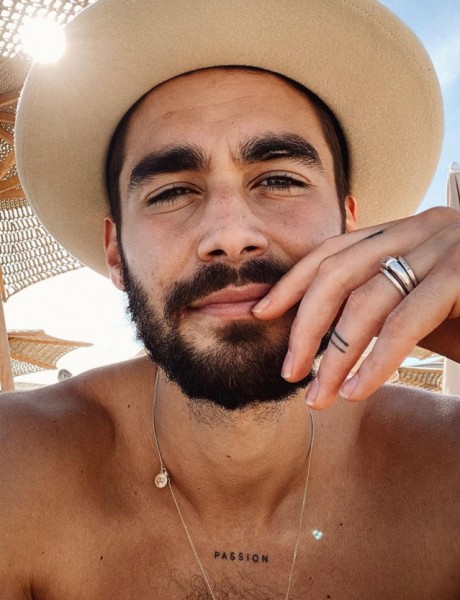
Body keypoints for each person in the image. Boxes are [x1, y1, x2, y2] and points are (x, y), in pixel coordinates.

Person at [2, 0, 460, 598]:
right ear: (116, 251)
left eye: (280, 180)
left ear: (350, 225)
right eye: (171, 192)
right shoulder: (17, 467)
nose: (229, 234)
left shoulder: (447, 469)